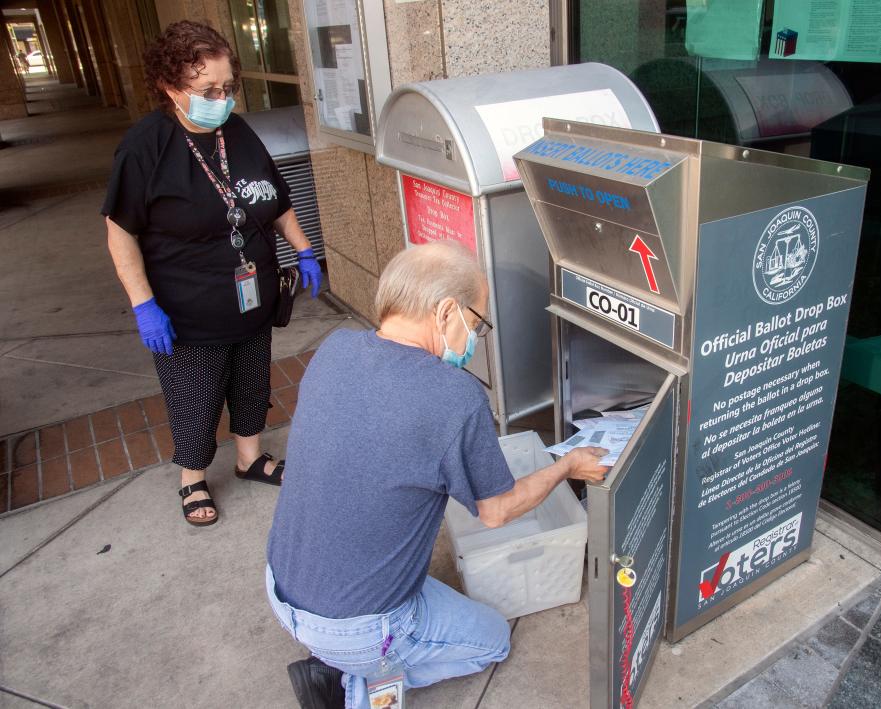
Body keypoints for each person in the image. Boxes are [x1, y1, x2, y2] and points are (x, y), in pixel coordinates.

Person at [266, 242, 609, 708]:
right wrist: (569, 464)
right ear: (446, 311)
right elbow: (497, 510)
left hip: (282, 587)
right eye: (478, 323)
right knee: (492, 641)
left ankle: (340, 657)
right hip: (358, 626)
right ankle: (354, 682)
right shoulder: (454, 396)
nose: (476, 336)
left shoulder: (336, 348)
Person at [102, 21, 323, 526]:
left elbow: (276, 198)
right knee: (196, 394)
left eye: (228, 88)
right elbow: (120, 232)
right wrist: (142, 304)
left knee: (250, 379)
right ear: (169, 86)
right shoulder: (145, 146)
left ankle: (250, 458)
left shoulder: (237, 132)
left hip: (251, 297)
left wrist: (305, 250)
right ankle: (193, 476)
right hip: (187, 306)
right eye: (207, 91)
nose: (221, 100)